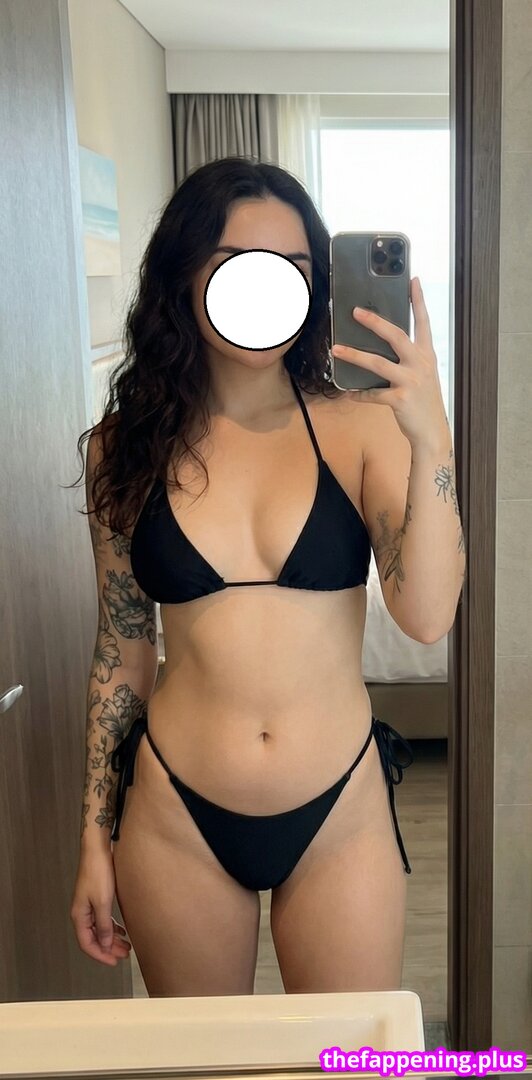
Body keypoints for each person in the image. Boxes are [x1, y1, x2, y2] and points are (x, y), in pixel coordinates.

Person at [70, 155, 463, 998]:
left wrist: (433, 439)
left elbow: (429, 616)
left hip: (339, 810)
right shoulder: (123, 447)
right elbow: (121, 652)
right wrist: (94, 839)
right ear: (186, 275)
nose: (269, 288)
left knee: (344, 1056)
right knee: (206, 1059)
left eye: (294, 267)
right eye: (241, 265)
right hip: (175, 812)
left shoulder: (362, 427)